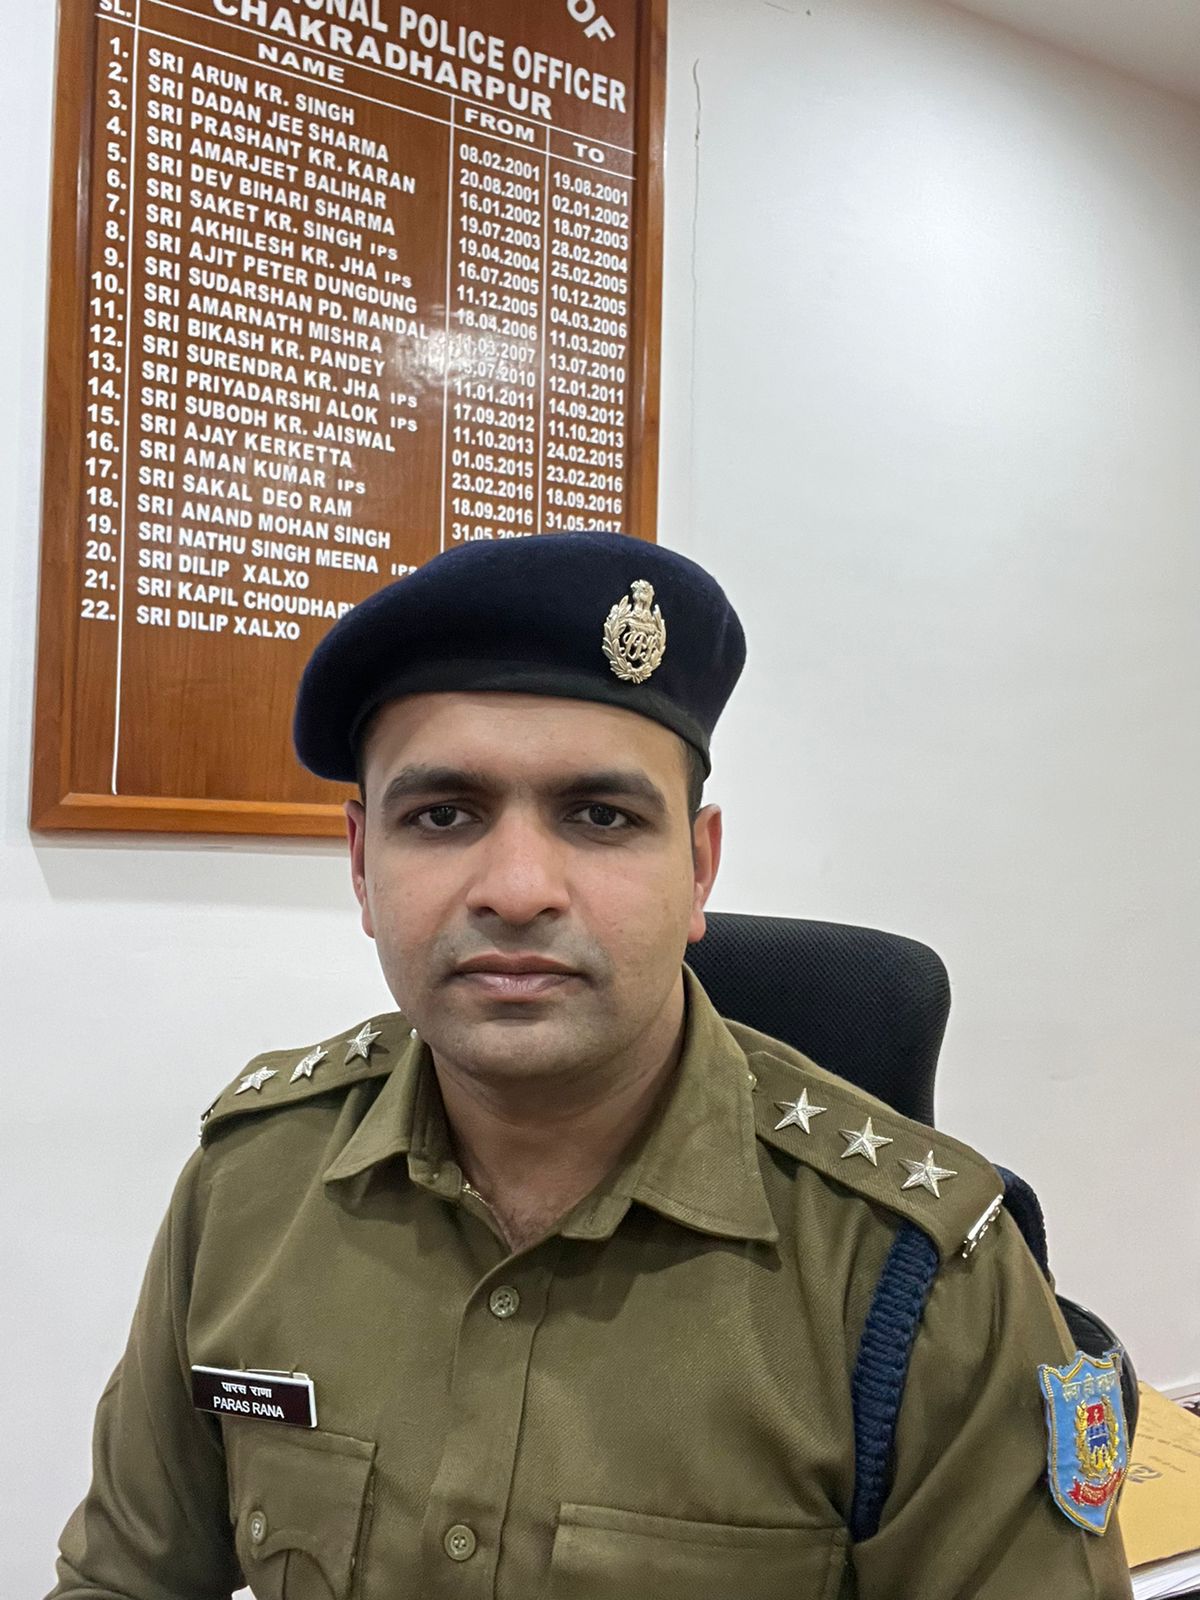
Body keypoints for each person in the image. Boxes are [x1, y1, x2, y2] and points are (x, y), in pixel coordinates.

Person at [49, 530, 1133, 1599]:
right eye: (443, 814)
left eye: (600, 816)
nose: (518, 888)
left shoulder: (916, 1279)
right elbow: (121, 1580)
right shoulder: (250, 1185)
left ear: (697, 870)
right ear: (363, 866)